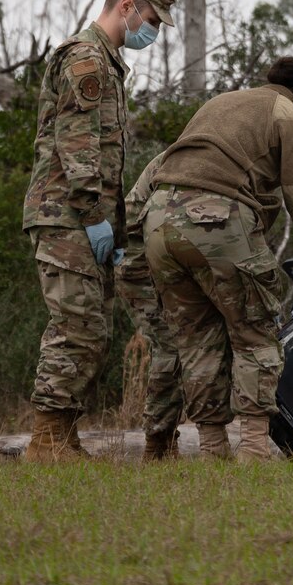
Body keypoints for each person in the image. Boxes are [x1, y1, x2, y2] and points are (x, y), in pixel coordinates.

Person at [142, 58, 293, 461]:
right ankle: (254, 449)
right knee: (255, 333)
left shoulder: (223, 102)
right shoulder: (291, 119)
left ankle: (212, 448)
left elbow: (164, 166)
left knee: (197, 341)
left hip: (158, 223)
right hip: (215, 219)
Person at [21, 0, 177, 461]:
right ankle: (46, 438)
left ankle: (62, 434)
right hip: (66, 215)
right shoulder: (86, 59)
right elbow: (78, 145)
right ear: (126, 6)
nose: (151, 31)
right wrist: (92, 215)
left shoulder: (105, 62)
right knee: (76, 326)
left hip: (82, 216)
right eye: (151, 18)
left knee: (92, 328)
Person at [117, 152, 184, 461]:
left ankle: (167, 438)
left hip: (163, 254)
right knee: (170, 345)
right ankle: (157, 444)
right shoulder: (184, 157)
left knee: (186, 342)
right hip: (136, 256)